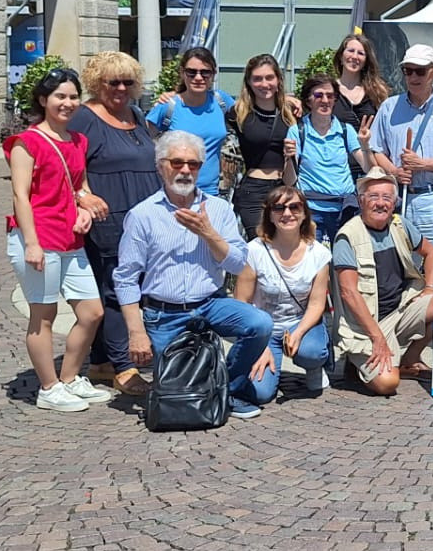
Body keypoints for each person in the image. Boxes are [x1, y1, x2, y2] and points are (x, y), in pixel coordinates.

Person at [113, 130, 274, 420]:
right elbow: (125, 278)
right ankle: (204, 385)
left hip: (211, 304)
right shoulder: (142, 215)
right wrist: (136, 332)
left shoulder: (219, 209)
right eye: (177, 163)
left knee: (260, 323)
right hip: (164, 314)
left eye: (194, 164)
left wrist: (209, 233)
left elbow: (238, 265)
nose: (185, 170)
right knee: (177, 395)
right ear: (160, 165)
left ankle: (230, 387)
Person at [5, 67, 110, 412]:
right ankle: (49, 388)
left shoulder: (78, 140)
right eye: (60, 96)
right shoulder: (28, 142)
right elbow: (21, 196)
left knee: (92, 312)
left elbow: (79, 187)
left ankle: (69, 378)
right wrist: (31, 243)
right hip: (39, 236)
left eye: (73, 96)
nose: (67, 103)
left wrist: (84, 207)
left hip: (70, 237)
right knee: (44, 313)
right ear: (43, 100)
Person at [70, 51, 160, 398]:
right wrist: (83, 195)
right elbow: (65, 163)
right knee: (116, 288)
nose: (121, 88)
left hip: (142, 217)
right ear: (97, 83)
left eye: (128, 81)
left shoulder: (135, 114)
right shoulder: (85, 118)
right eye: (113, 82)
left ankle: (102, 361)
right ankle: (125, 367)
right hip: (110, 217)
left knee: (130, 282)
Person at [332, 174, 433, 395]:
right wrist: (377, 338)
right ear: (361, 201)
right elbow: (349, 293)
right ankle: (356, 364)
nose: (380, 203)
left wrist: (429, 288)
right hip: (366, 325)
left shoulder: (400, 225)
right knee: (388, 383)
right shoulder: (347, 236)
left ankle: (409, 360)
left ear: (394, 203)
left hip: (400, 309)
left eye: (386, 197)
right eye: (373, 196)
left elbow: (431, 252)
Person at [370, 44, 433, 271]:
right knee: (402, 267)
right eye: (408, 71)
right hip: (399, 201)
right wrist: (394, 172)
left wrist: (423, 164)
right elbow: (376, 150)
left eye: (420, 71)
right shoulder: (388, 107)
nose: (413, 76)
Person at [234, 185, 332, 404]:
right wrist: (256, 346)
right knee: (261, 394)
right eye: (278, 208)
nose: (287, 213)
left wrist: (297, 334)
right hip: (263, 329)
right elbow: (242, 303)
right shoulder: (254, 250)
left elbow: (317, 305)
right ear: (269, 214)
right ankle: (268, 367)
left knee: (311, 352)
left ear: (304, 212)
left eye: (294, 207)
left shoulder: (319, 254)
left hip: (300, 323)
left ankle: (314, 367)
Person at [285, 72, 372, 245]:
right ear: (309, 100)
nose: (325, 100)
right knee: (313, 264)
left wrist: (365, 146)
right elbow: (289, 181)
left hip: (344, 211)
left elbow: (369, 169)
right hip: (311, 211)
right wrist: (288, 158)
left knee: (345, 264)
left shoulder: (346, 130)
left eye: (330, 96)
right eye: (318, 95)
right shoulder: (297, 131)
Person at [228, 53, 298, 241]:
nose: (264, 84)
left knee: (284, 245)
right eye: (257, 79)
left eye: (269, 78)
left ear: (278, 80)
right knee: (260, 245)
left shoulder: (291, 113)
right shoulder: (238, 113)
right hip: (253, 191)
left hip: (286, 187)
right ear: (249, 83)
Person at [147, 47, 234, 197]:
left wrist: (285, 99)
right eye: (191, 72)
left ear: (213, 74)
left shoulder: (221, 101)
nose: (198, 77)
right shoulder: (168, 106)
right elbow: (142, 142)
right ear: (182, 73)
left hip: (211, 193)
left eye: (205, 72)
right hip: (175, 192)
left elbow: (252, 108)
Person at [331, 33, 389, 178]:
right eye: (350, 51)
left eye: (361, 53)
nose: (355, 56)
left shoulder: (378, 93)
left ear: (366, 61)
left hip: (371, 170)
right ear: (340, 56)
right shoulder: (328, 92)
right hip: (337, 170)